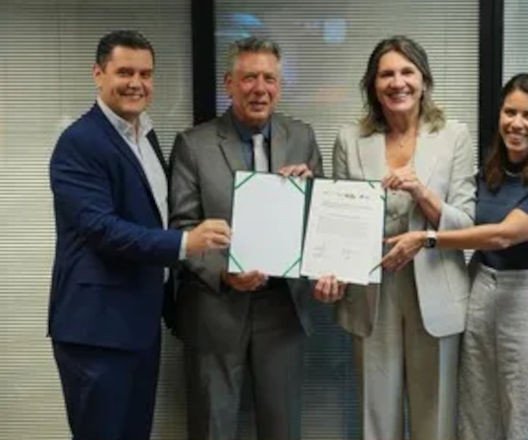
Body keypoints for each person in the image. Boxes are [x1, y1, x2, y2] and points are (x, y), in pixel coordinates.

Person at [48, 30, 230, 440]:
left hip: (138, 323)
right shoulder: (79, 142)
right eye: (124, 72)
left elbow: (153, 212)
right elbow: (101, 229)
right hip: (96, 331)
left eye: (145, 74)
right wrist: (185, 243)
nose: (136, 83)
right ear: (98, 74)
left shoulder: (144, 135)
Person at [384, 73, 528, 440]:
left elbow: (503, 235)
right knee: (477, 415)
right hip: (481, 292)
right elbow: (461, 219)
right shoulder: (489, 174)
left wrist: (427, 239)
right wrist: (419, 191)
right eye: (510, 112)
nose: (516, 123)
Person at [313, 35, 476, 440]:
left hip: (437, 292)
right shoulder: (350, 139)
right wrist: (329, 269)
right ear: (373, 85)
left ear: (424, 80)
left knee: (435, 423)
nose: (397, 82)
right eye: (386, 74)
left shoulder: (454, 136)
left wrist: (422, 192)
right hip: (371, 294)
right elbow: (339, 221)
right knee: (376, 421)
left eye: (407, 72)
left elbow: (466, 226)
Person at [168, 36, 323, 440]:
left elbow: (320, 222)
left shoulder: (302, 138)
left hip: (282, 308)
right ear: (229, 84)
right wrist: (224, 273)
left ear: (280, 86)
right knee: (213, 427)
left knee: (281, 428)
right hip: (215, 306)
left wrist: (310, 193)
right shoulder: (193, 145)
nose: (260, 89)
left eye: (269, 79)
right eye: (249, 78)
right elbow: (182, 227)